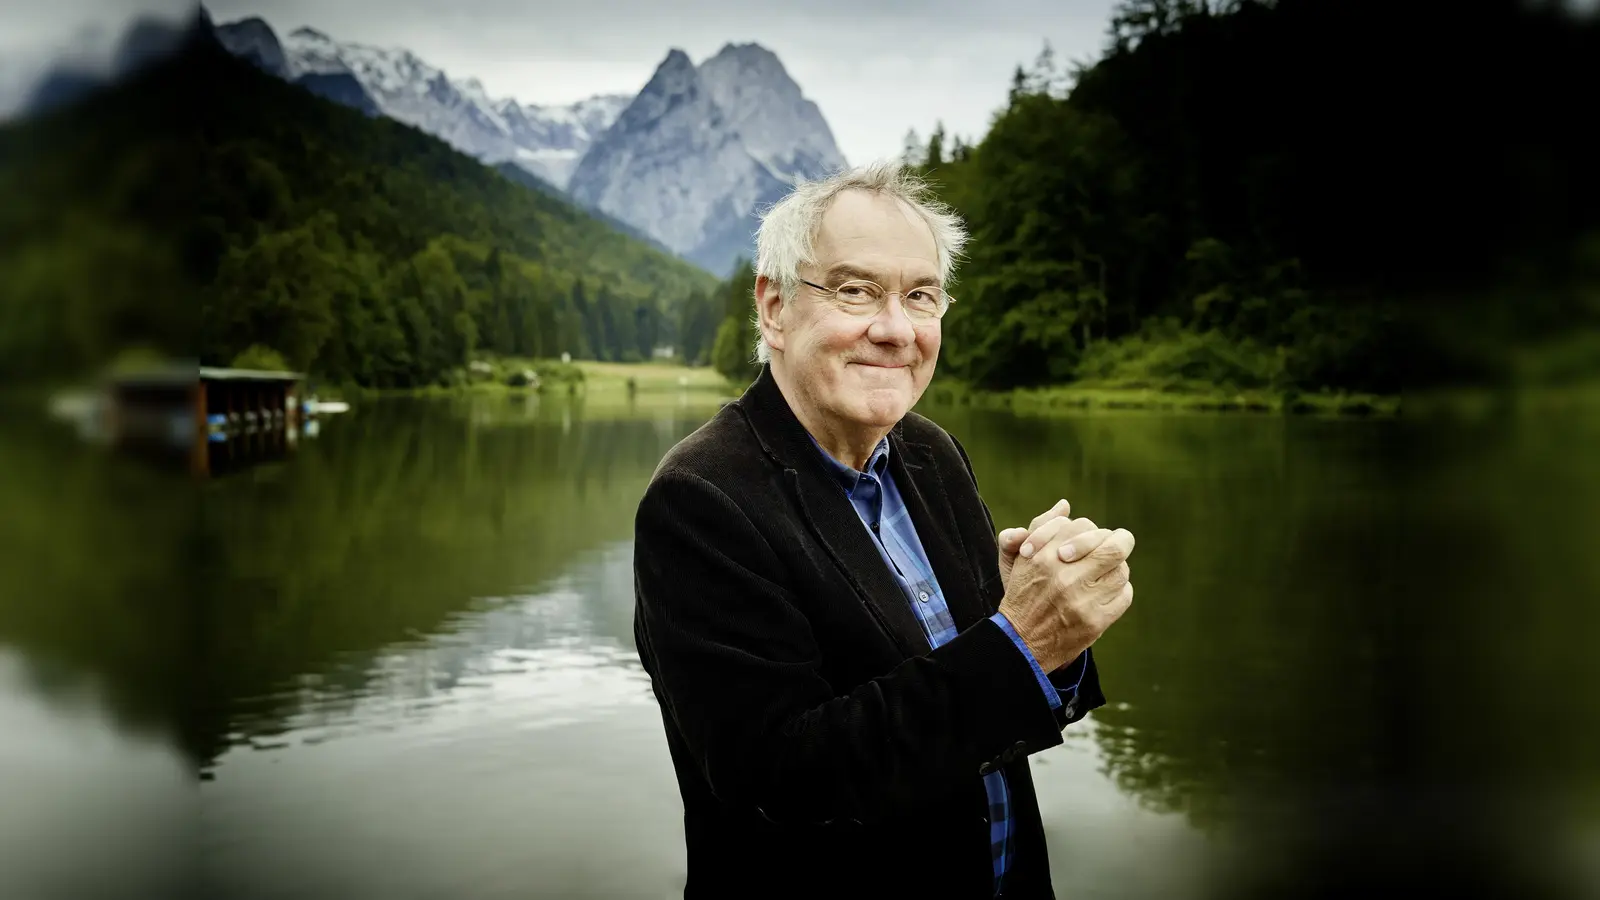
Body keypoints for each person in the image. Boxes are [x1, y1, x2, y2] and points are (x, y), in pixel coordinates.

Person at [632, 161, 1136, 899]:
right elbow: (782, 781)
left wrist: (1057, 636)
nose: (895, 329)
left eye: (920, 296)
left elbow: (985, 699)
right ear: (773, 309)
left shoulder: (930, 451)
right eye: (855, 290)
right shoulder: (700, 499)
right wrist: (1021, 640)